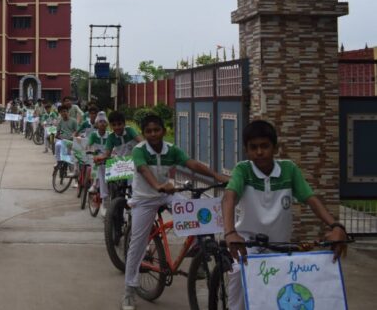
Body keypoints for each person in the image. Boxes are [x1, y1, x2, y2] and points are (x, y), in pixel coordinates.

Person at [221, 120, 348, 310]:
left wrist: (336, 226)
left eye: (265, 146)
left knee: (287, 294)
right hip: (248, 244)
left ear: (275, 147)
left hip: (280, 246)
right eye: (253, 147)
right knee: (240, 272)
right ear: (246, 150)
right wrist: (230, 233)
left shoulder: (289, 170)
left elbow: (311, 199)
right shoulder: (243, 170)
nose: (259, 152)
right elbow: (229, 198)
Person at [122, 114, 229, 310]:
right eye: (148, 131)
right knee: (137, 244)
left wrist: (216, 175)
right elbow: (143, 169)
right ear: (144, 134)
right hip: (144, 199)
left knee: (196, 214)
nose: (153, 134)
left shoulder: (172, 150)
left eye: (157, 130)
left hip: (166, 194)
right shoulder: (139, 150)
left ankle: (198, 252)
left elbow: (191, 163)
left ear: (163, 131)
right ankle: (129, 291)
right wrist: (158, 185)